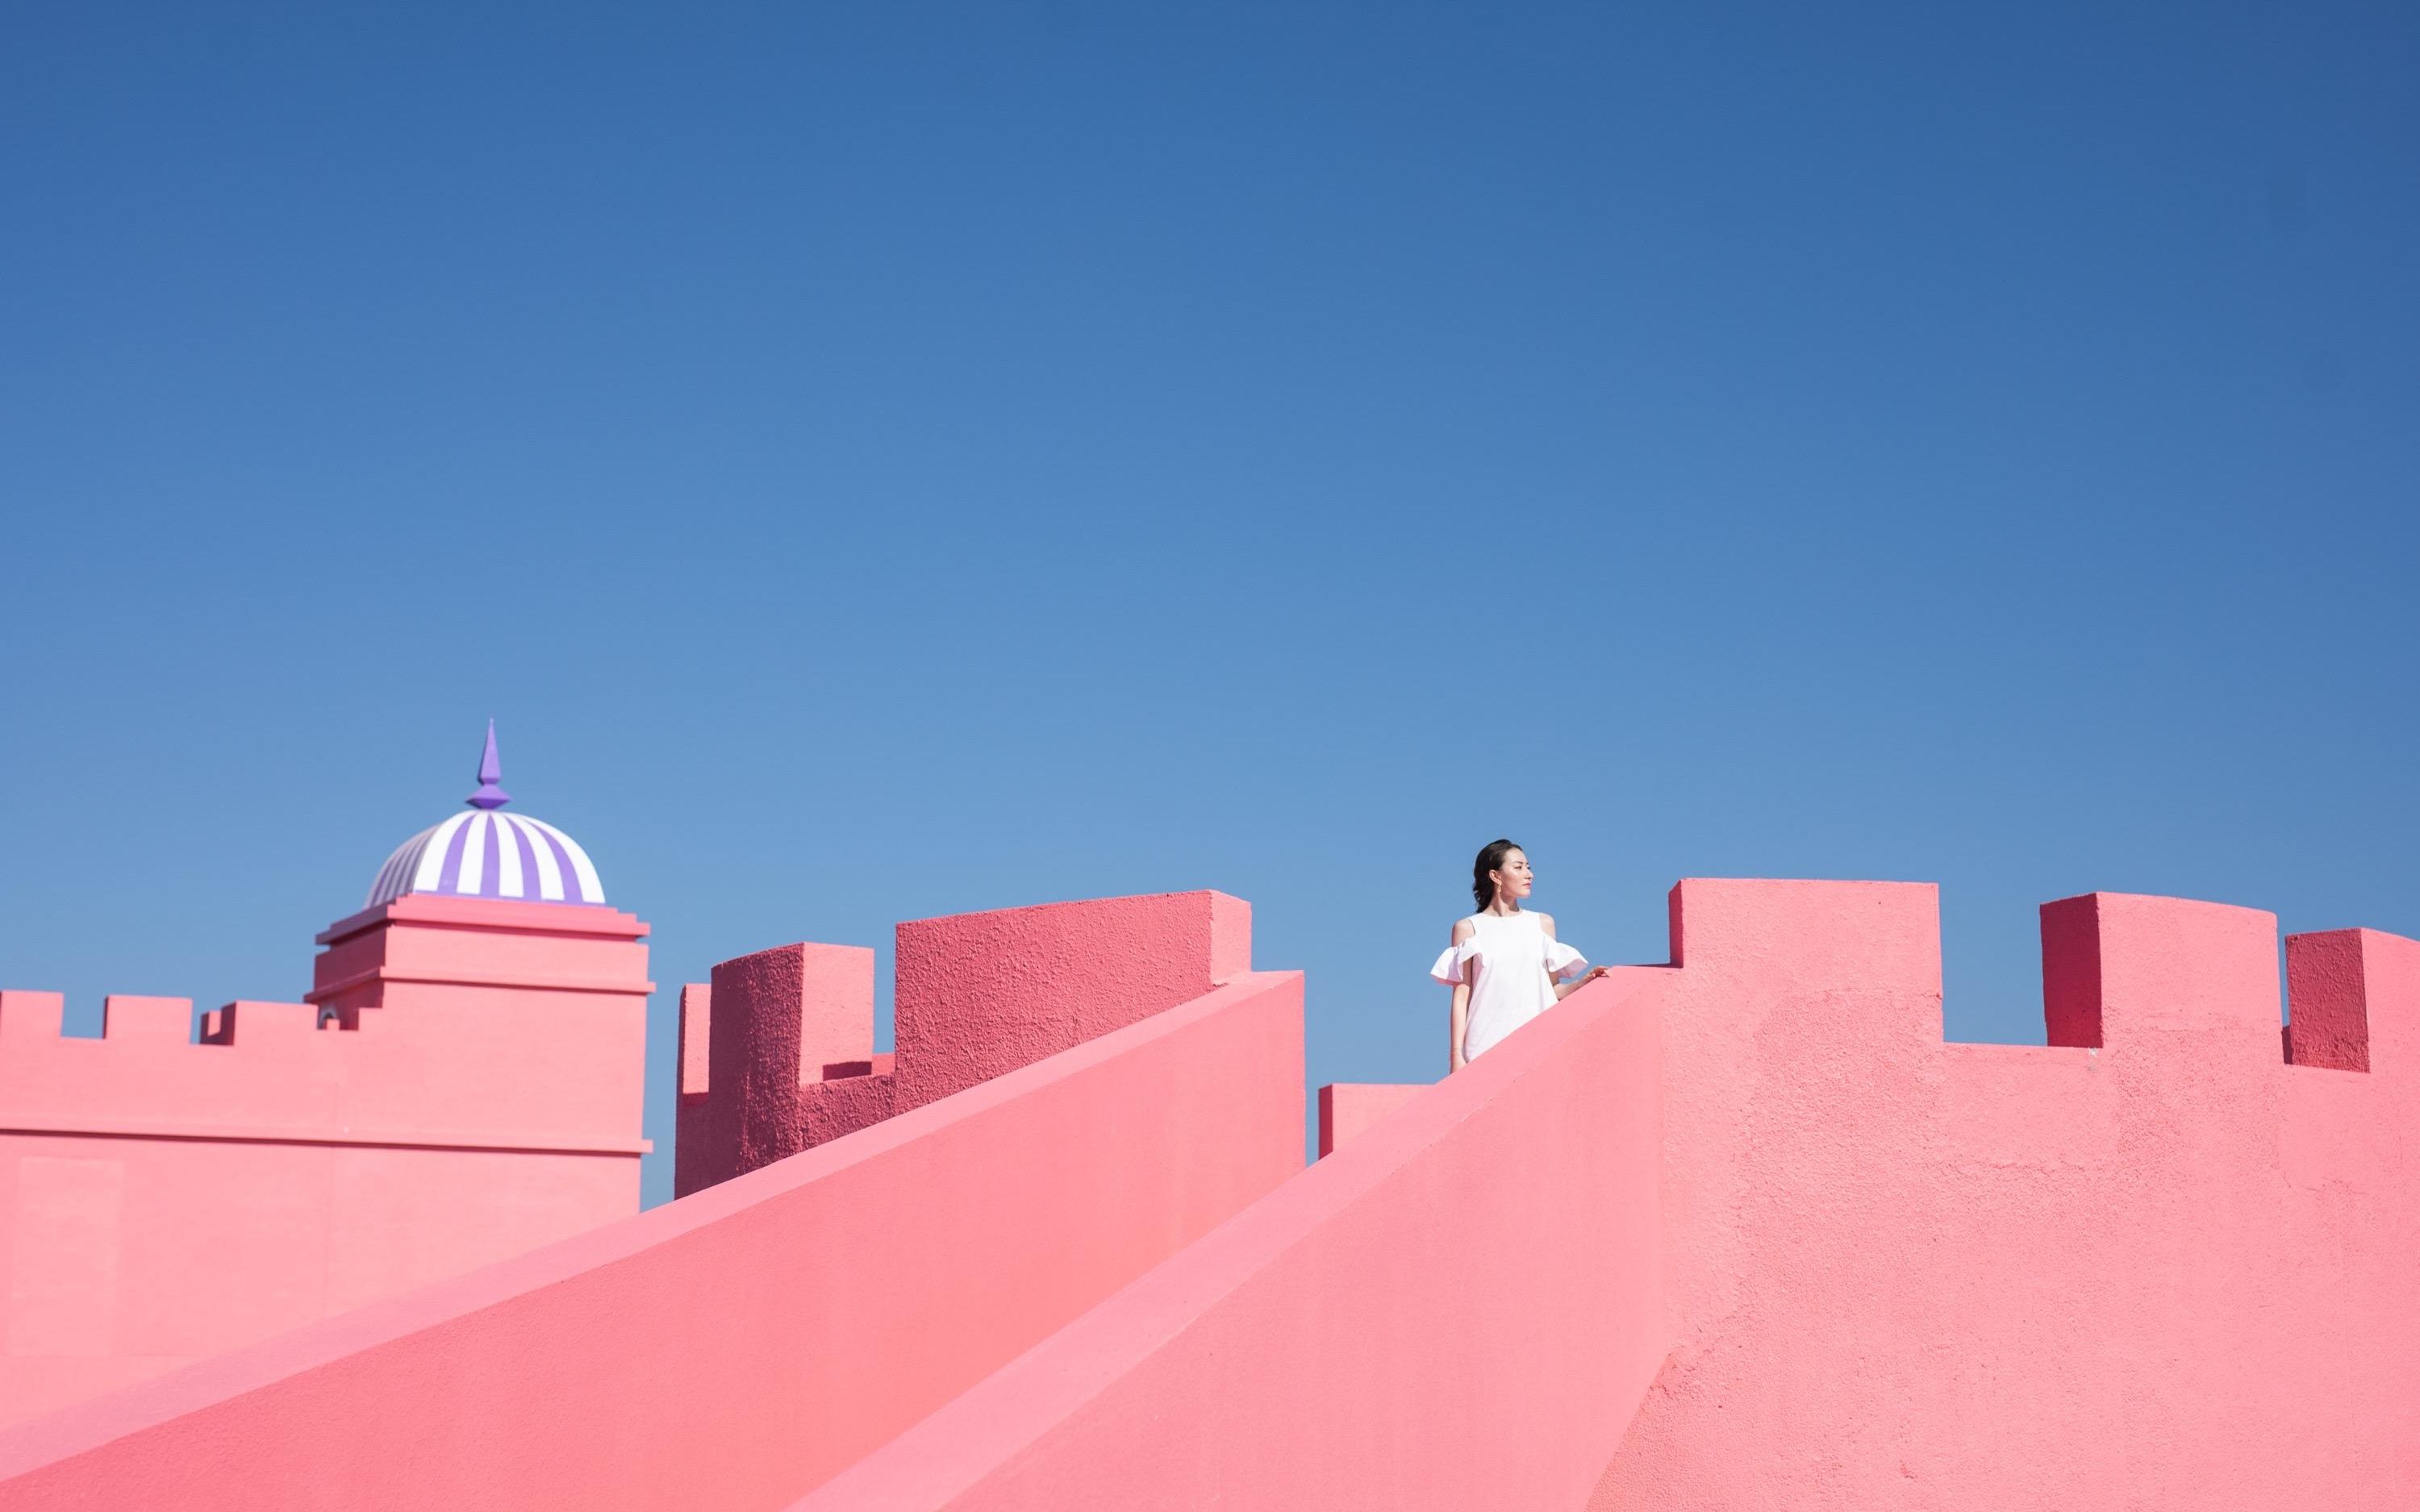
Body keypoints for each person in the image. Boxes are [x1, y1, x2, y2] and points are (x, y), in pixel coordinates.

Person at [1432, 839, 1615, 1071]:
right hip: (1485, 1045)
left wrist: (1583, 982)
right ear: (1496, 876)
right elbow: (1462, 995)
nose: (1529, 874)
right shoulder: (1469, 928)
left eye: (1528, 867)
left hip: (1540, 1044)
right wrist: (1456, 1055)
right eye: (1519, 867)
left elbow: (1553, 990)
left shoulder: (1542, 924)